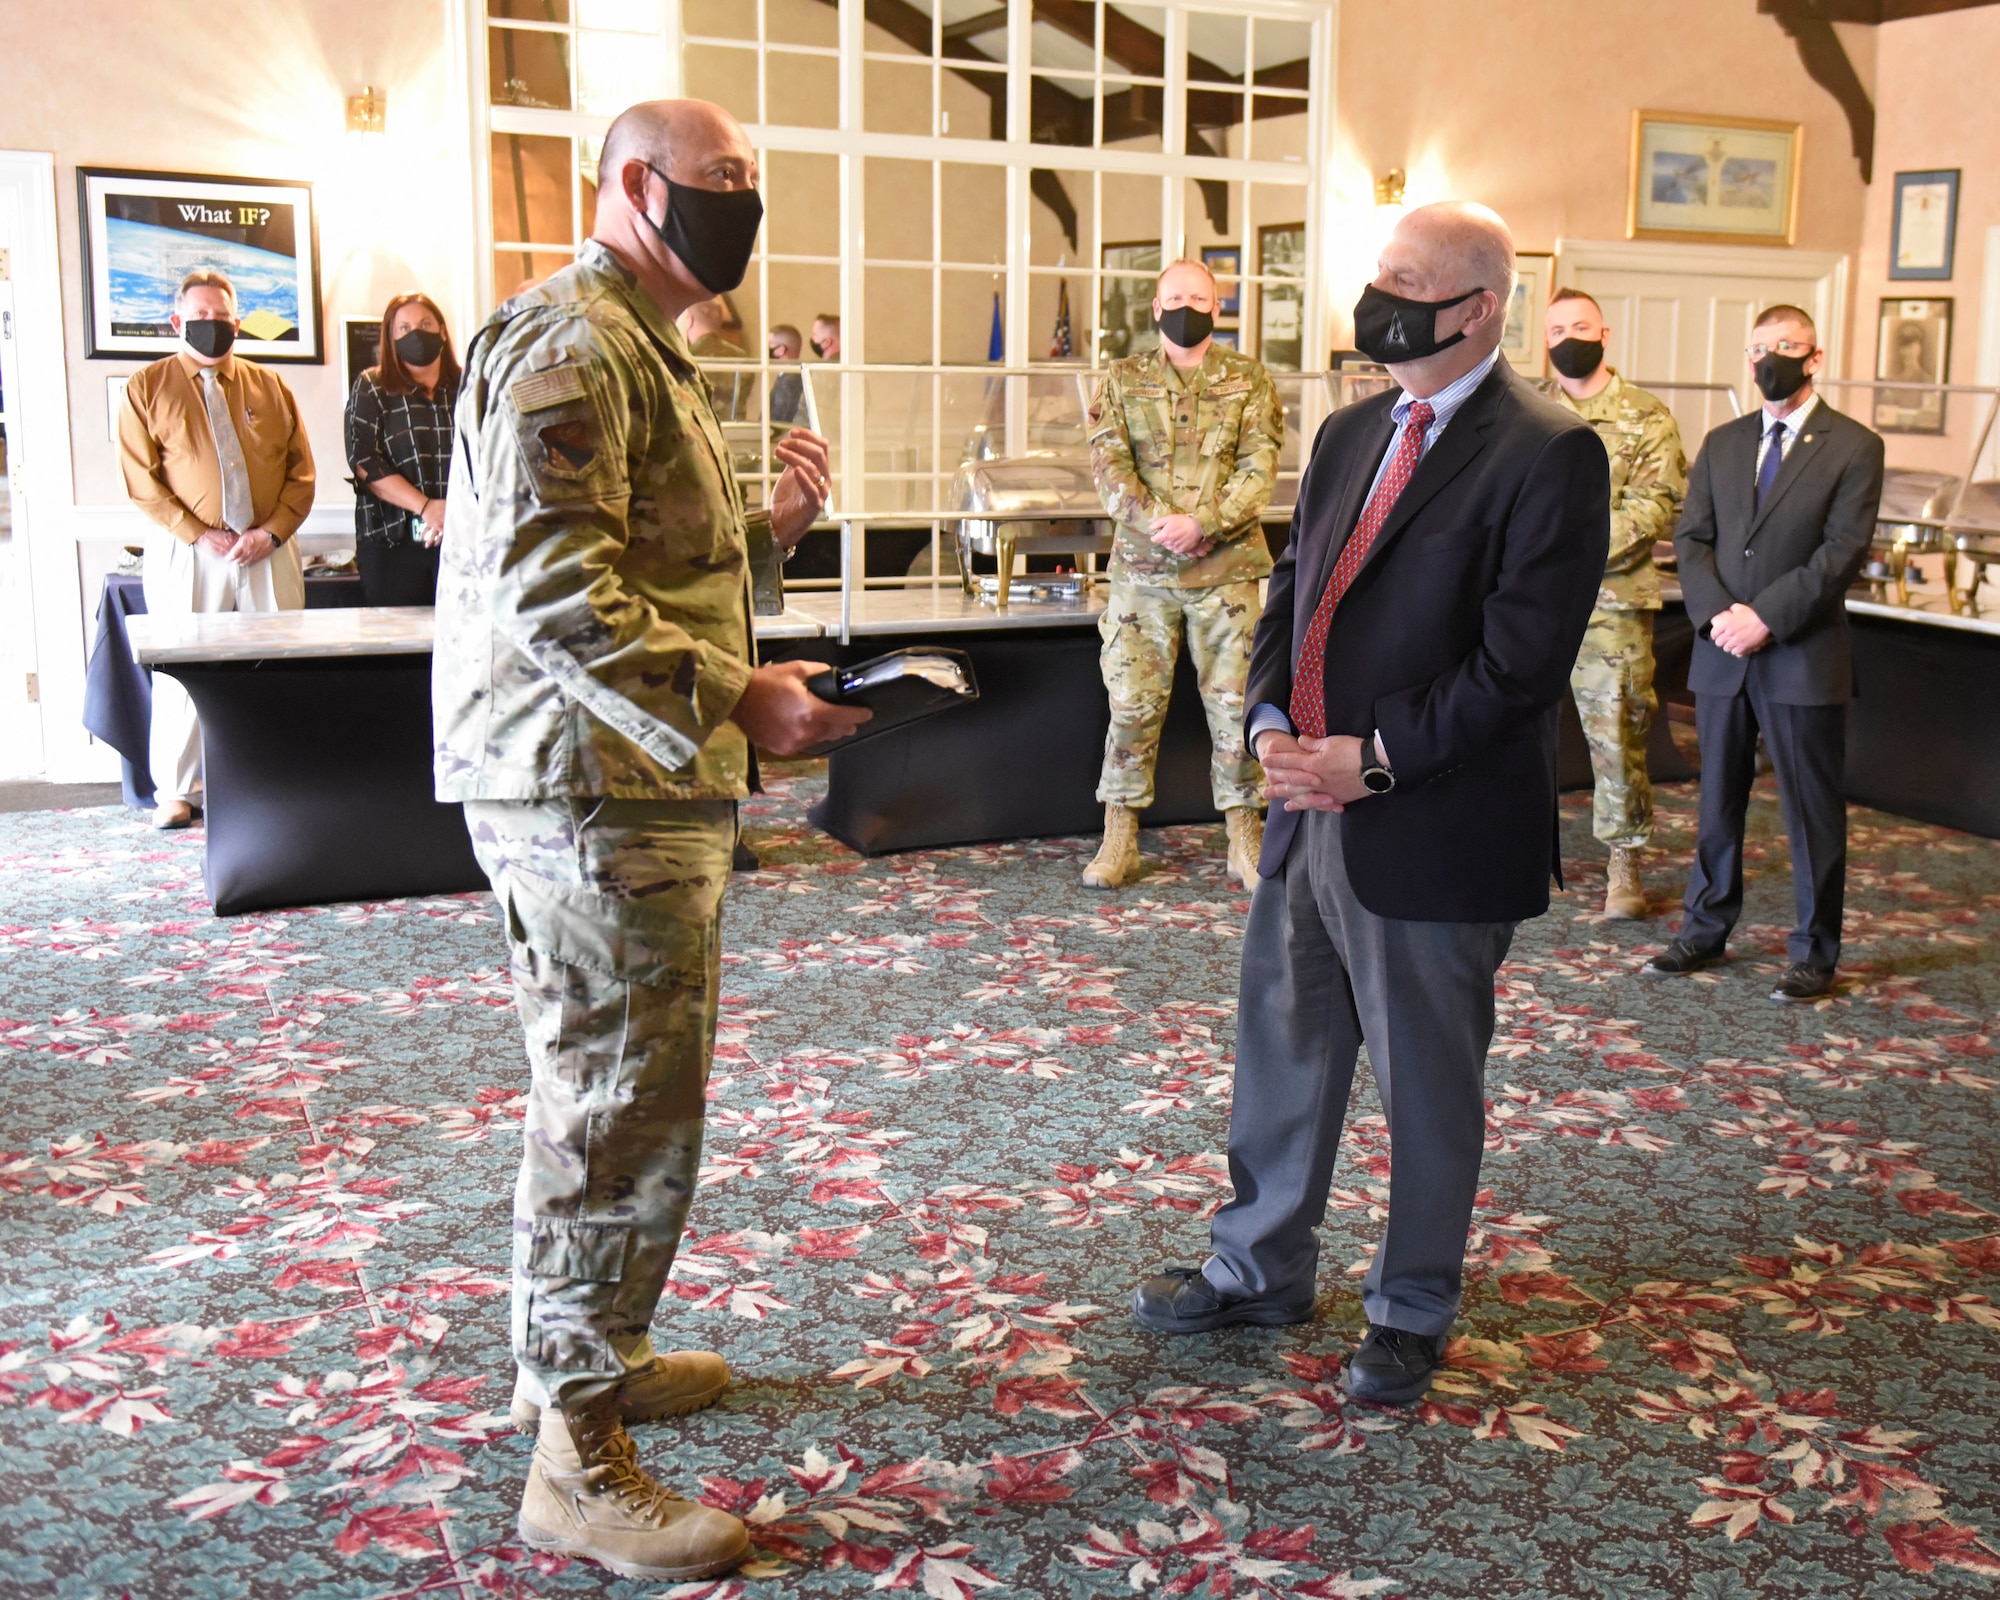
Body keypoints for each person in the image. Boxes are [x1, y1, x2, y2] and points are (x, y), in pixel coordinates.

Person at [433, 97, 868, 1582]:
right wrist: (738, 691)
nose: (746, 207)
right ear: (636, 186)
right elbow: (546, 589)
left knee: (613, 1093)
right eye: (725, 184)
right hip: (587, 788)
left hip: (630, 776)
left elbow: (636, 557)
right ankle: (574, 1459)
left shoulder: (637, 338)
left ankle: (586, 1360)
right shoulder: (570, 340)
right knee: (617, 1114)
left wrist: (762, 536)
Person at [1130, 203, 1609, 1410]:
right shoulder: (1349, 432)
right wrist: (1268, 725)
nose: (1378, 296)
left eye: (1406, 280)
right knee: (1280, 1052)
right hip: (1303, 811)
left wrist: (1372, 759)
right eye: (1378, 275)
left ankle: (1409, 1304)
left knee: (1424, 1080)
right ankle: (1258, 1267)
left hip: (1426, 824)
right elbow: (1293, 595)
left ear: (1480, 304)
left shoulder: (1548, 450)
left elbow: (1518, 669)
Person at [1647, 305, 1884, 1002]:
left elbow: (1841, 553)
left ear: (1814, 358)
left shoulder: (1853, 445)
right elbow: (1691, 539)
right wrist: (1721, 615)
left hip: (1801, 654)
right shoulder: (1721, 442)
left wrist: (1765, 619)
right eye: (1758, 348)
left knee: (1811, 812)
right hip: (1722, 651)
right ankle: (1704, 928)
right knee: (1716, 801)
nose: (1768, 359)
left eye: (1785, 346)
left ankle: (1815, 952)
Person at [1082, 258, 1283, 891]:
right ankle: (1120, 834)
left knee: (1235, 708)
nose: (1186, 307)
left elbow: (1260, 468)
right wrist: (1163, 523)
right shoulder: (1121, 380)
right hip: (1142, 575)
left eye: (1199, 297)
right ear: (1155, 308)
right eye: (1175, 297)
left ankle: (1244, 833)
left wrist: (1205, 523)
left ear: (1217, 309)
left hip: (1227, 573)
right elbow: (1110, 468)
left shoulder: (1250, 380)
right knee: (1133, 705)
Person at [117, 269, 315, 830]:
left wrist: (268, 533)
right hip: (190, 551)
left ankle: (277, 775)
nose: (212, 326)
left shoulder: (270, 386)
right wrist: (201, 534)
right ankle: (178, 792)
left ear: (237, 322)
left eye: (222, 318)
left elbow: (302, 473)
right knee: (185, 669)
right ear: (178, 321)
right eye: (200, 317)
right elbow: (141, 480)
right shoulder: (148, 386)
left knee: (278, 664)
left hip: (267, 549)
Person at [1538, 288, 1687, 918]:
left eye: (1580, 326)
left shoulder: (1646, 415)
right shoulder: (1524, 409)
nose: (1569, 337)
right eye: (1557, 330)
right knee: (1511, 734)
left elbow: (1655, 504)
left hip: (1612, 605)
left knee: (1617, 735)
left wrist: (1573, 552)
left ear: (1605, 333)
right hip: (1528, 606)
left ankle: (1623, 863)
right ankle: (1520, 852)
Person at [344, 292, 459, 606]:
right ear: (391, 338)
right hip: (392, 544)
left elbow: (490, 456)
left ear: (442, 330)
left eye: (425, 324)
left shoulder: (469, 385)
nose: (416, 333)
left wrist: (452, 514)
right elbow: (364, 459)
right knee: (397, 649)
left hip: (461, 537)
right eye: (404, 328)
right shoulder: (372, 386)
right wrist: (426, 508)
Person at [768, 322, 804, 424]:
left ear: (781, 350)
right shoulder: (788, 376)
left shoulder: (789, 382)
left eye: (770, 344)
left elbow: (779, 420)